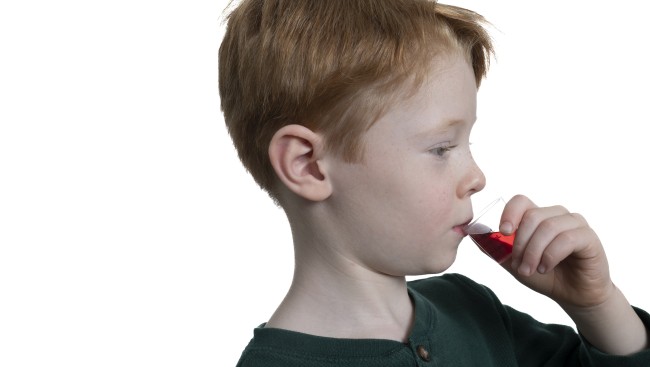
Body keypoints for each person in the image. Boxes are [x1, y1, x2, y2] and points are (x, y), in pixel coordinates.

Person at [218, 0, 650, 365]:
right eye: (442, 148)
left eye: (467, 142)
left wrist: (595, 305)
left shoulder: (471, 309)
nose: (477, 177)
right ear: (308, 165)